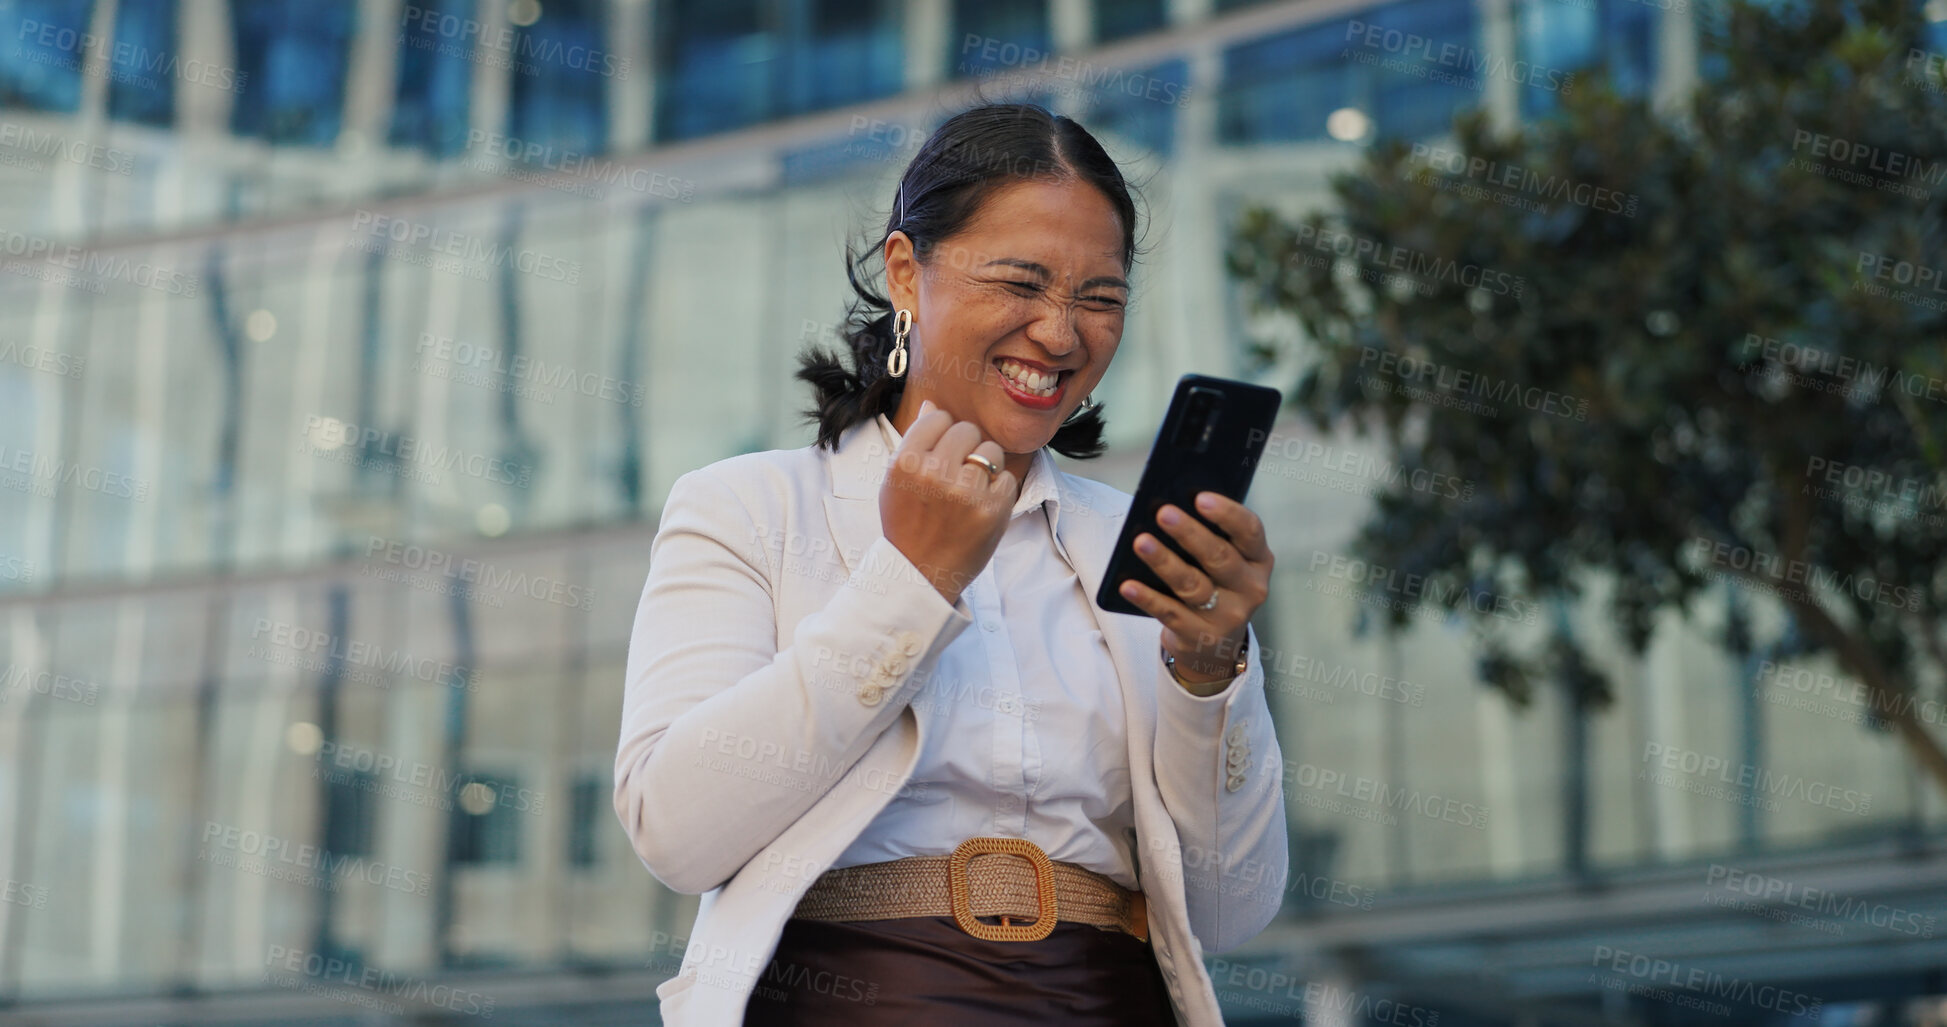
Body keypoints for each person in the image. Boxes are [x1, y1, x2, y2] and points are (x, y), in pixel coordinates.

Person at [614, 103, 1287, 1027]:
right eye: (1020, 283)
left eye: (1099, 297)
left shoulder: (1131, 548)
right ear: (905, 273)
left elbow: (1232, 906)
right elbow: (675, 833)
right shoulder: (749, 509)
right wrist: (911, 583)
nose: (1059, 334)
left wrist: (1210, 673)